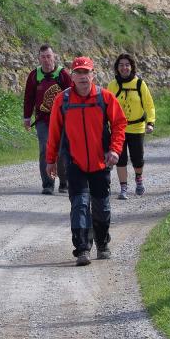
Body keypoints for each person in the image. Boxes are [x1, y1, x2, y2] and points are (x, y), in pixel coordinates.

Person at [46, 56, 127, 266]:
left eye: (86, 72)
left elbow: (119, 124)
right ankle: (82, 249)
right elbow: (54, 133)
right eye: (78, 73)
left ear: (93, 74)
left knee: (101, 206)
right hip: (74, 163)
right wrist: (50, 160)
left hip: (101, 162)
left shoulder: (105, 98)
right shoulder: (62, 100)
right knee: (80, 205)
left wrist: (115, 150)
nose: (83, 77)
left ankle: (102, 244)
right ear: (72, 76)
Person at [22, 44, 72, 195]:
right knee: (45, 149)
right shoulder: (34, 75)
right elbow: (29, 98)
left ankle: (64, 182)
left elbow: (72, 95)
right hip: (42, 119)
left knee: (62, 151)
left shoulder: (63, 74)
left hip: (62, 120)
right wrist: (26, 117)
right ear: (39, 58)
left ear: (54, 57)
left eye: (48, 56)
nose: (46, 60)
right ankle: (48, 184)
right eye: (43, 57)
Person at [108, 53, 156, 200]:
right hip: (118, 129)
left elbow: (149, 105)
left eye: (127, 65)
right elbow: (106, 106)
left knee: (138, 158)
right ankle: (123, 188)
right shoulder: (112, 85)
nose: (124, 68)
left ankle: (139, 179)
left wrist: (151, 122)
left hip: (137, 127)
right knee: (119, 159)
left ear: (132, 67)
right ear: (117, 68)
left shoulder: (140, 84)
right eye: (121, 65)